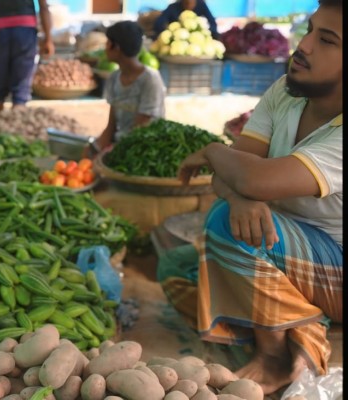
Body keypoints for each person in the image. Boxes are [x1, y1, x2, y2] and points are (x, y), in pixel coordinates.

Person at [172, 0, 342, 394]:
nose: (305, 45)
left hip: (336, 262)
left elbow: (251, 175)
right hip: (286, 249)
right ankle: (302, 324)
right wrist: (240, 195)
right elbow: (241, 173)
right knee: (177, 267)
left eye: (327, 40)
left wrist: (215, 152)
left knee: (224, 228)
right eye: (311, 29)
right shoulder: (287, 90)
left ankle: (276, 358)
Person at [92, 21, 166, 153]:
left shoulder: (150, 80)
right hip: (121, 144)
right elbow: (111, 125)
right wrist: (96, 148)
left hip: (145, 148)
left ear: (117, 48)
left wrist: (112, 152)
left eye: (108, 43)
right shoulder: (114, 78)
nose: (105, 48)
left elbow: (141, 128)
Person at [0, 0, 55, 116]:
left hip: (0, 32)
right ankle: (17, 121)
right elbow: (43, 7)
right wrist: (48, 38)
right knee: (21, 88)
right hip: (25, 31)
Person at [153, 0, 219, 40]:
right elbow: (159, 23)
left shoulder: (201, 5)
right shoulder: (172, 7)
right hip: (177, 40)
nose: (189, 3)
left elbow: (213, 23)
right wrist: (169, 32)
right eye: (186, 2)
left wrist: (207, 34)